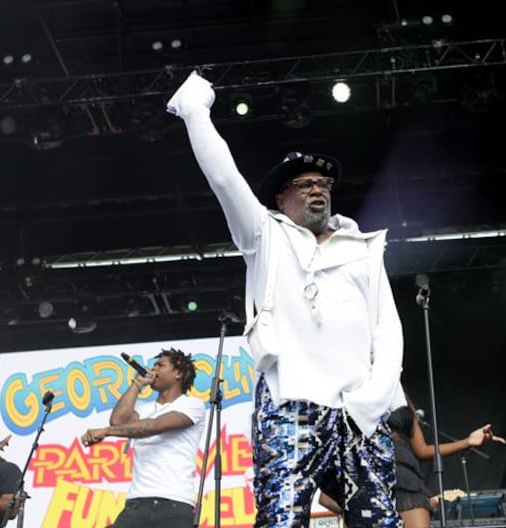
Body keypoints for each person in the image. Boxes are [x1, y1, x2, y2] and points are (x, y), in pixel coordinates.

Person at [166, 71, 405, 528]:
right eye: (305, 184)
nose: (318, 189)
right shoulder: (264, 234)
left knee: (379, 521)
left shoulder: (364, 249)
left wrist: (371, 402)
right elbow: (223, 176)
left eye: (324, 184)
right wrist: (195, 110)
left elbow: (388, 329)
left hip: (357, 410)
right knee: (281, 520)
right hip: (289, 402)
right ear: (281, 196)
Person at [319, 394, 506, 528]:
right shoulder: (348, 383)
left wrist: (467, 442)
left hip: (407, 483)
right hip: (366, 480)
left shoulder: (398, 389)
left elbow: (422, 450)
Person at [80, 348, 205, 528]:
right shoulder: (143, 408)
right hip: (137, 503)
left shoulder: (191, 405)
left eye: (160, 365)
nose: (153, 369)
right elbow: (118, 421)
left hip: (175, 504)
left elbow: (154, 426)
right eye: (153, 365)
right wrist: (137, 384)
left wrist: (106, 432)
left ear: (178, 373)